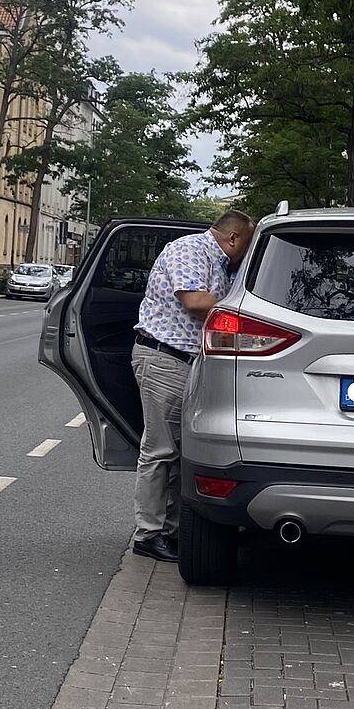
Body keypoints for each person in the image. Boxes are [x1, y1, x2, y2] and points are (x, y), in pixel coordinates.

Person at [131, 210, 256, 563]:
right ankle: (149, 534)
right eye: (246, 246)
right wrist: (250, 314)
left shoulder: (221, 265)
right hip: (165, 359)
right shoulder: (189, 250)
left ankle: (171, 531)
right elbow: (195, 302)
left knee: (180, 454)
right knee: (160, 452)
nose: (246, 254)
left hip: (190, 364)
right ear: (233, 238)